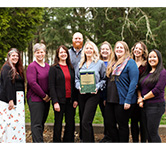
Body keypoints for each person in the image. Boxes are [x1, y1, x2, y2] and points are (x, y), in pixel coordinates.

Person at [105, 41, 139, 142]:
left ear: (126, 50)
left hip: (123, 99)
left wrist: (128, 100)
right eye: (117, 47)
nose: (119, 49)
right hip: (111, 99)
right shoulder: (112, 63)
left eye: (121, 48)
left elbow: (133, 83)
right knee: (109, 123)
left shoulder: (130, 62)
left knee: (122, 125)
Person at [75, 40, 106, 142]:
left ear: (94, 50)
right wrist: (79, 86)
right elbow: (76, 79)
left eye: (90, 48)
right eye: (87, 48)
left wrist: (97, 87)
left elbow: (104, 79)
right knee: (83, 121)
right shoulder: (80, 64)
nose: (88, 50)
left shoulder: (100, 63)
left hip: (93, 95)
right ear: (84, 50)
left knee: (86, 121)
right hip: (82, 94)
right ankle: (89, 141)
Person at [49, 45, 78, 142]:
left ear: (67, 54)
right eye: (61, 52)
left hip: (70, 100)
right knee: (58, 124)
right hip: (59, 101)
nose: (63, 54)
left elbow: (74, 84)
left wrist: (75, 99)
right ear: (57, 54)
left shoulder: (71, 68)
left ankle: (68, 142)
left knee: (70, 123)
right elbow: (51, 86)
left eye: (65, 52)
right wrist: (55, 102)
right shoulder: (54, 68)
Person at [137, 49, 166, 142]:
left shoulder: (162, 72)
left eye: (154, 57)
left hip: (156, 106)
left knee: (152, 133)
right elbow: (139, 86)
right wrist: (140, 98)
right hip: (145, 106)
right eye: (150, 57)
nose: (151, 59)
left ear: (159, 59)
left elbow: (157, 90)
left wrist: (143, 98)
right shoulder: (146, 72)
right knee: (147, 134)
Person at [0, 48, 25, 143]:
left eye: (17, 56)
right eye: (13, 55)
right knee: (9, 124)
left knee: (17, 124)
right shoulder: (7, 67)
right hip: (9, 101)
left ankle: (17, 142)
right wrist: (10, 99)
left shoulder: (17, 68)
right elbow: (7, 84)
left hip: (18, 100)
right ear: (9, 57)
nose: (15, 57)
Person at [26, 43, 50, 143]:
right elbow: (32, 83)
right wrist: (43, 95)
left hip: (46, 100)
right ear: (34, 53)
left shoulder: (48, 66)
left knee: (42, 123)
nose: (40, 54)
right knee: (36, 124)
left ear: (45, 53)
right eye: (37, 52)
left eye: (41, 52)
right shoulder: (32, 66)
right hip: (35, 99)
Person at [130, 41, 148, 142]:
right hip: (132, 96)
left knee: (143, 122)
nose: (137, 50)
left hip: (143, 96)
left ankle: (143, 143)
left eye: (140, 49)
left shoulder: (146, 65)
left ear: (143, 52)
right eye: (136, 48)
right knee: (133, 122)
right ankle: (135, 142)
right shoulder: (130, 62)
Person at [68, 32, 83, 140]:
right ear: (72, 39)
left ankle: (83, 136)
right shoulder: (67, 53)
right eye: (75, 38)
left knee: (83, 114)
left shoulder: (86, 52)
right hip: (70, 87)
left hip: (84, 86)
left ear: (82, 40)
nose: (77, 40)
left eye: (79, 38)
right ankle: (70, 137)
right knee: (70, 115)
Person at [99, 41, 113, 142]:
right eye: (103, 49)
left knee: (109, 117)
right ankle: (106, 135)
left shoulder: (113, 63)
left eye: (106, 49)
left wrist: (106, 97)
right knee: (105, 115)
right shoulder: (97, 62)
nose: (104, 51)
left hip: (110, 94)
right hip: (99, 93)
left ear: (110, 51)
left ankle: (109, 136)